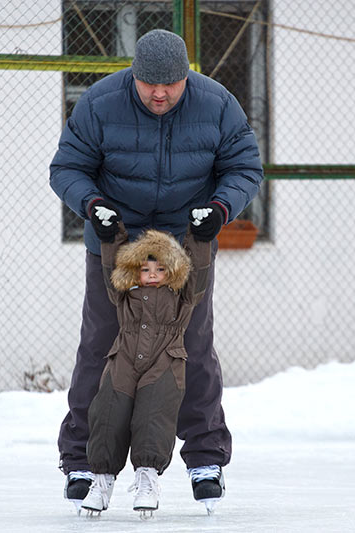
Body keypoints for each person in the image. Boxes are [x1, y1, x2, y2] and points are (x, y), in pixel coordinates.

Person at [50, 28, 263, 512]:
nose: (160, 93)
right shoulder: (101, 103)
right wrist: (92, 204)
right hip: (114, 245)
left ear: (187, 76)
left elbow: (244, 167)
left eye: (171, 83)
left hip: (184, 249)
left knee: (192, 347)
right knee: (102, 345)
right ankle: (83, 458)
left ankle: (206, 459)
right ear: (134, 76)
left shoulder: (217, 104)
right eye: (149, 84)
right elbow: (67, 167)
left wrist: (220, 208)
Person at [80, 213, 212, 517]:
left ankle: (147, 479)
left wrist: (199, 235)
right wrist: (112, 233)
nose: (152, 274)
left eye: (160, 268)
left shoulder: (183, 295)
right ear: (133, 271)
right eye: (144, 268)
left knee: (154, 415)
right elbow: (112, 262)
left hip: (164, 359)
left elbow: (200, 268)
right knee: (108, 412)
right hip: (124, 357)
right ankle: (101, 481)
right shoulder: (123, 294)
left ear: (172, 271)